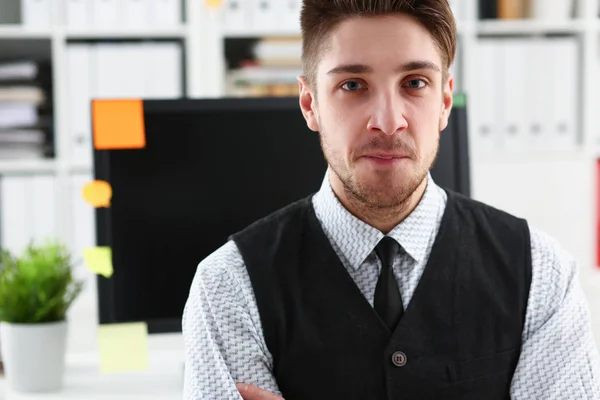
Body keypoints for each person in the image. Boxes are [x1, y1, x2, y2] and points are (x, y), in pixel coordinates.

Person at [182, 0, 600, 398]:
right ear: (310, 103)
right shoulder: (229, 287)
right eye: (352, 85)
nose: (387, 121)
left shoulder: (541, 275)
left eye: (415, 83)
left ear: (444, 101)